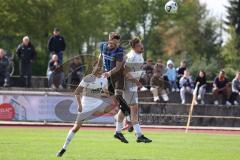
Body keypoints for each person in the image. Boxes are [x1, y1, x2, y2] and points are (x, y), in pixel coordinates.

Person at [56, 61, 117, 157]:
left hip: (98, 105)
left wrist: (112, 96)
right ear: (93, 68)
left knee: (116, 108)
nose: (100, 69)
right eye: (97, 67)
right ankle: (64, 148)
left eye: (101, 67)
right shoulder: (88, 78)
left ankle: (122, 129)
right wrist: (79, 105)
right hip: (86, 106)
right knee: (76, 128)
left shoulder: (104, 79)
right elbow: (77, 92)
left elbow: (106, 91)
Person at [114, 37, 152, 143]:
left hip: (133, 85)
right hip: (130, 85)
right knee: (134, 109)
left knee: (124, 109)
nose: (142, 46)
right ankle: (139, 135)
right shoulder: (131, 56)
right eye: (140, 45)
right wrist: (136, 82)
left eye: (141, 44)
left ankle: (117, 131)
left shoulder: (138, 54)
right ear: (134, 47)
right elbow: (125, 73)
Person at [99, 32, 132, 142]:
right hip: (108, 77)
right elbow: (101, 56)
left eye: (117, 41)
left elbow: (118, 67)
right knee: (116, 102)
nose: (116, 43)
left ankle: (130, 116)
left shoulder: (119, 50)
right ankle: (120, 130)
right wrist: (98, 67)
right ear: (109, 39)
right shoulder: (103, 46)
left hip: (117, 75)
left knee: (118, 96)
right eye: (114, 40)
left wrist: (109, 72)